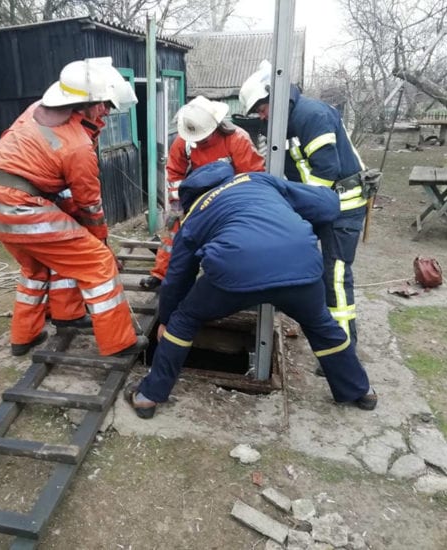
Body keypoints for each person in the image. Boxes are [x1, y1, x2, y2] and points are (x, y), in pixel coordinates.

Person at [125, 161, 377, 419]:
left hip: (234, 275)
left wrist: (167, 320)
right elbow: (326, 205)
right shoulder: (256, 180)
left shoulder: (195, 215)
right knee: (322, 325)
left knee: (184, 319)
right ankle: (360, 390)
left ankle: (149, 396)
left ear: (189, 197)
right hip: (301, 266)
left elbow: (178, 277)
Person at [0, 57, 147, 357]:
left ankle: (30, 334)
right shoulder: (78, 145)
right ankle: (119, 344)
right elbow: (89, 204)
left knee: (37, 267)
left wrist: (75, 219)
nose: (107, 112)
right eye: (105, 105)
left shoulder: (36, 110)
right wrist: (101, 242)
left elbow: (51, 178)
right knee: (97, 262)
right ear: (87, 105)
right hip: (24, 208)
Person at [239, 62, 372, 351]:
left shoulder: (312, 115)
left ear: (275, 96)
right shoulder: (281, 124)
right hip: (317, 203)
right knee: (298, 259)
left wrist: (290, 205)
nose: (261, 117)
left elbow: (325, 174)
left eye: (262, 109)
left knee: (335, 275)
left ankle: (342, 347)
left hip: (343, 205)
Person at [139, 95, 265, 290]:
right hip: (194, 197)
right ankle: (161, 274)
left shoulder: (237, 139)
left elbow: (252, 176)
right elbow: (174, 172)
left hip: (228, 199)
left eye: (204, 137)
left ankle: (226, 281)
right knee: (173, 231)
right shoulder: (185, 140)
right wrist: (178, 203)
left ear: (215, 125)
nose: (201, 141)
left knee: (228, 239)